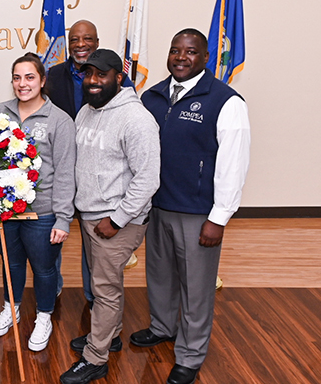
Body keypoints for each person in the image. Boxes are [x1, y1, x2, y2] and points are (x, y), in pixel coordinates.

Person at [132, 29, 250, 384]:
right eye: (175, 51)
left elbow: (234, 163)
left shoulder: (226, 101)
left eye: (191, 52)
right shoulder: (150, 96)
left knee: (196, 287)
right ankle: (162, 327)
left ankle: (190, 353)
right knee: (160, 276)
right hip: (158, 206)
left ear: (204, 57)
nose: (181, 58)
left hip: (200, 213)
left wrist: (219, 217)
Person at [60, 49, 160, 384]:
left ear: (119, 77)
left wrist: (117, 220)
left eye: (101, 75)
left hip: (116, 221)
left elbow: (148, 179)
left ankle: (95, 357)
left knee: (104, 289)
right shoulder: (88, 111)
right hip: (90, 215)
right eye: (88, 74)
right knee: (104, 283)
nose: (92, 81)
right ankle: (109, 336)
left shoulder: (137, 119)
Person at [0, 53, 76, 351]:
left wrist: (63, 218)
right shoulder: (0, 112)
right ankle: (11, 308)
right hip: (5, 210)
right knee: (11, 264)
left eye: (29, 77)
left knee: (44, 268)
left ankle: (43, 316)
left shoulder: (60, 120)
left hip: (43, 212)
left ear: (42, 80)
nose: (22, 84)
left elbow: (65, 172)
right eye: (17, 77)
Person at [45, 20, 137, 306]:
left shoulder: (115, 78)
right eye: (74, 40)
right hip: (60, 172)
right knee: (53, 234)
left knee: (92, 244)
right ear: (68, 44)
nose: (80, 44)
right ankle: (53, 289)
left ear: (97, 42)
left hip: (95, 176)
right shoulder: (52, 75)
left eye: (87, 39)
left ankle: (94, 298)